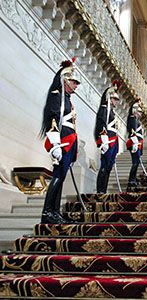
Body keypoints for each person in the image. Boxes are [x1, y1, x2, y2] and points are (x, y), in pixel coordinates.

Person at [40, 58, 80, 224]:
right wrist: (55, 143)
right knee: (58, 175)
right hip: (62, 140)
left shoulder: (68, 99)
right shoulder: (57, 96)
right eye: (74, 82)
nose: (76, 85)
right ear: (65, 80)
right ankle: (47, 212)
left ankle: (55, 211)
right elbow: (53, 119)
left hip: (69, 140)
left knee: (61, 176)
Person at [95, 80, 121, 194]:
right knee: (104, 166)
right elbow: (101, 124)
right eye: (115, 99)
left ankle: (104, 189)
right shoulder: (104, 108)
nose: (117, 101)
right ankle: (100, 190)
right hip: (108, 139)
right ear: (109, 98)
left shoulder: (112, 111)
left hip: (113, 139)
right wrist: (103, 140)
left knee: (109, 166)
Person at [126, 100, 143, 190]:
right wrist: (135, 143)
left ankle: (133, 178)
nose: (140, 113)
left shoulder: (137, 120)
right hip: (134, 143)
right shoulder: (132, 118)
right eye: (139, 111)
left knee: (137, 162)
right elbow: (132, 131)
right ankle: (131, 180)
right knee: (135, 162)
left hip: (138, 143)